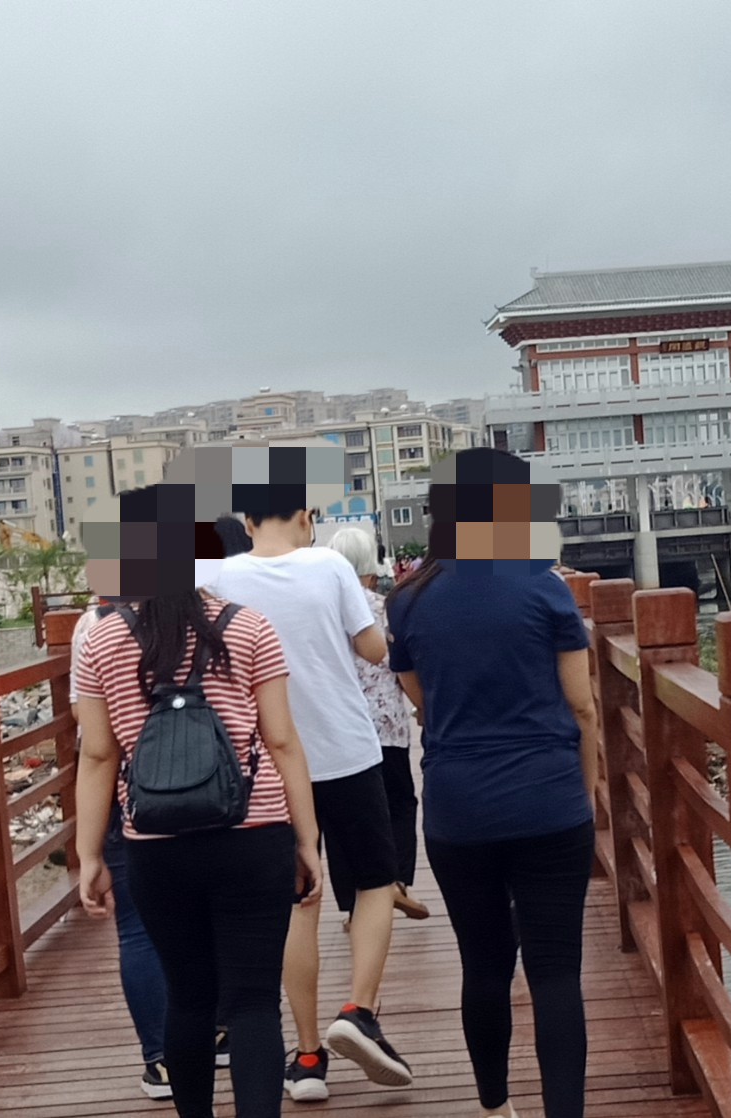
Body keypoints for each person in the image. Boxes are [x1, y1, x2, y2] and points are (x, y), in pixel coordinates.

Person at [75, 484, 323, 1118]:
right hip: (254, 834)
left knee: (188, 998)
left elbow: (99, 756)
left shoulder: (101, 640)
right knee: (253, 1002)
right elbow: (282, 741)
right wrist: (306, 840)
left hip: (156, 844)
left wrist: (89, 854)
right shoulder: (249, 626)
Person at [386, 448, 601, 1118]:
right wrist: (586, 795)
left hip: (459, 807)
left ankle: (494, 1107)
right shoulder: (544, 586)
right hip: (550, 799)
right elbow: (583, 707)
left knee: (482, 965)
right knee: (556, 972)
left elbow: (421, 700)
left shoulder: (408, 600)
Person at [207, 494, 413, 1103]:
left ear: (247, 522)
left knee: (300, 899)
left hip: (269, 763)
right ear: (306, 517)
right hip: (346, 751)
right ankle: (359, 1012)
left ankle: (305, 1057)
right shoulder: (330, 567)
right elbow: (374, 649)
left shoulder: (221, 578)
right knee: (374, 882)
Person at [69, 597, 171, 1101]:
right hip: (212, 796)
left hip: (128, 796)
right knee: (208, 917)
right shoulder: (219, 615)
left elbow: (90, 732)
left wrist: (87, 853)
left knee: (136, 930)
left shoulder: (94, 627)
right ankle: (219, 1031)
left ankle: (162, 1060)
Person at [322, 528, 428, 925]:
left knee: (340, 820)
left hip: (338, 729)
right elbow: (402, 666)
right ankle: (397, 880)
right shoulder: (385, 608)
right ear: (371, 563)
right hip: (387, 727)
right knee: (399, 803)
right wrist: (422, 706)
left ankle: (353, 905)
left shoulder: (322, 611)